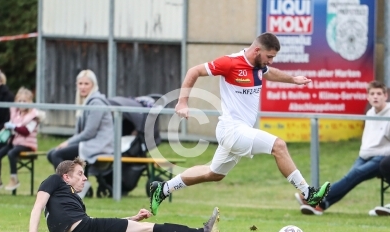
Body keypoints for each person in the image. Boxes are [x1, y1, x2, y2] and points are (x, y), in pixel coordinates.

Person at [149, 32, 331, 216]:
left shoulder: (260, 66)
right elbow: (194, 71)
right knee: (279, 146)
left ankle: (163, 189)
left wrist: (293, 80)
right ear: (257, 50)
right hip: (232, 129)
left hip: (239, 131)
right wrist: (182, 102)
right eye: (269, 56)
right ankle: (309, 194)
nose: (271, 61)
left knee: (214, 174)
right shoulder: (230, 62)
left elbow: (270, 73)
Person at [24, 157, 220, 232]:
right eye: (80, 174)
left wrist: (132, 218)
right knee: (150, 230)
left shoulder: (73, 199)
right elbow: (37, 207)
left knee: (144, 229)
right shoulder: (54, 180)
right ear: (66, 177)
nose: (84, 178)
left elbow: (94, 224)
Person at [295, 80, 390, 215]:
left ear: (385, 96)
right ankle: (321, 205)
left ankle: (316, 199)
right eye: (372, 94)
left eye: (379, 93)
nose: (376, 97)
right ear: (368, 97)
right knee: (349, 178)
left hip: (382, 156)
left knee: (354, 175)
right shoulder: (370, 113)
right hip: (365, 155)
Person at [47, 69, 113, 196]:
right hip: (88, 143)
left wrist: (68, 143)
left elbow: (89, 132)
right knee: (51, 153)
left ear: (93, 85)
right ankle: (78, 184)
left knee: (57, 155)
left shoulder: (97, 103)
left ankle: (67, 189)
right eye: (80, 83)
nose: (83, 87)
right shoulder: (85, 102)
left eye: (86, 84)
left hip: (99, 145)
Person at [0, 87, 45, 192]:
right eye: (19, 101)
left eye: (24, 101)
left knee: (11, 153)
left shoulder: (34, 116)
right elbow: (13, 128)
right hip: (14, 143)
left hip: (27, 144)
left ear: (29, 102)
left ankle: (14, 179)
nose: (21, 103)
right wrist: (7, 129)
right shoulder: (15, 114)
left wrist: (13, 127)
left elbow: (26, 131)